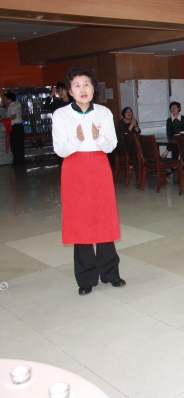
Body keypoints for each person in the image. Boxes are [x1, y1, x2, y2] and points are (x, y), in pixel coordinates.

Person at [52, 66, 125, 295]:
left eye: (86, 84)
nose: (82, 89)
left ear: (94, 88)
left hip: (99, 167)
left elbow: (111, 145)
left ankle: (111, 273)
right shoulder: (61, 115)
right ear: (70, 91)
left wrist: (97, 137)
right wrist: (77, 139)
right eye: (77, 85)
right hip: (74, 169)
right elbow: (60, 150)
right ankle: (85, 278)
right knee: (79, 221)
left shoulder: (104, 112)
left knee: (104, 218)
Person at [4, 91, 25, 166]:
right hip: (20, 126)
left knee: (14, 145)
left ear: (10, 99)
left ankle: (17, 161)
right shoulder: (17, 104)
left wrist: (6, 119)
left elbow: (13, 116)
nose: (5, 100)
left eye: (6, 98)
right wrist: (11, 90)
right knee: (20, 144)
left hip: (14, 127)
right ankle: (22, 160)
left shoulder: (10, 107)